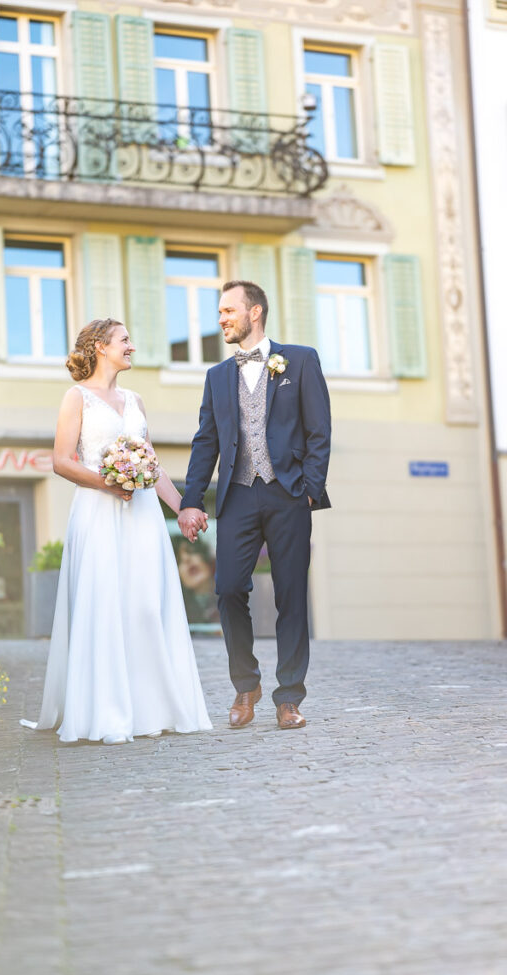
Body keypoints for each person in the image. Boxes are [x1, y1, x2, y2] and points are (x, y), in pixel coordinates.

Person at [21, 318, 212, 744]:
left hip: (142, 515)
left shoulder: (135, 400)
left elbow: (152, 466)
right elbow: (62, 461)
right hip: (98, 513)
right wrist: (107, 483)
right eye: (125, 340)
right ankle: (105, 710)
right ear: (100, 346)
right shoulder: (76, 398)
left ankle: (152, 707)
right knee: (104, 605)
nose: (132, 347)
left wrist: (184, 509)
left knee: (145, 605)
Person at [178, 280, 331, 731]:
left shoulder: (300, 360)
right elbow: (205, 442)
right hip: (238, 494)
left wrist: (309, 487)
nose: (221, 319)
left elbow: (319, 430)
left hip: (289, 493)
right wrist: (190, 500)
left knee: (291, 596)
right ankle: (246, 685)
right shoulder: (217, 377)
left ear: (255, 312)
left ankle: (289, 696)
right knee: (228, 589)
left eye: (228, 310)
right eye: (220, 312)